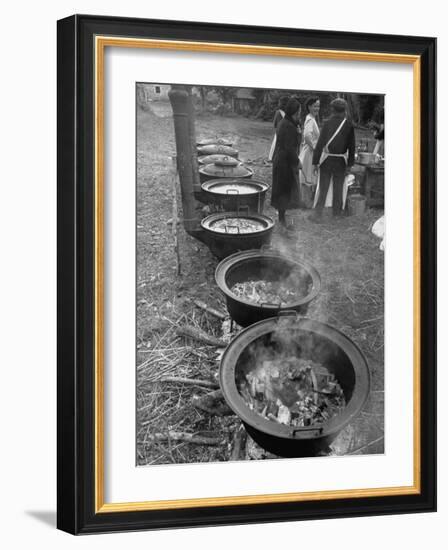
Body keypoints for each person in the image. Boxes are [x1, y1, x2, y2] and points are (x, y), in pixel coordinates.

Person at [311, 98, 355, 218]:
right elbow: (352, 147)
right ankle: (336, 214)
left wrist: (315, 162)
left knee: (323, 188)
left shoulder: (327, 123)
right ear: (344, 110)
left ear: (333, 109)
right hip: (341, 162)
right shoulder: (349, 125)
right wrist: (350, 165)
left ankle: (318, 213)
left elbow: (320, 144)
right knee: (338, 188)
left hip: (327, 160)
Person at [271, 96, 302, 230]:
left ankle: (282, 217)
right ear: (295, 112)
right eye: (299, 112)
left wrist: (298, 132)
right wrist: (298, 161)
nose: (300, 114)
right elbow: (290, 148)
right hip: (284, 162)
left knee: (283, 190)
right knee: (283, 190)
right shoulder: (288, 125)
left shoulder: (286, 122)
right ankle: (282, 221)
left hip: (281, 160)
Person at [299, 96, 320, 208]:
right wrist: (314, 148)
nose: (317, 108)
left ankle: (305, 202)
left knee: (308, 177)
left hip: (309, 150)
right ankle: (305, 203)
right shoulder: (310, 119)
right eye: (315, 106)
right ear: (309, 107)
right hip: (309, 152)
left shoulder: (311, 118)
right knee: (307, 177)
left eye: (318, 106)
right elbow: (307, 135)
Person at [268, 95, 289, 161]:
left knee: (276, 147)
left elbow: (275, 124)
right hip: (287, 134)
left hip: (279, 133)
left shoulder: (278, 112)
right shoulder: (288, 113)